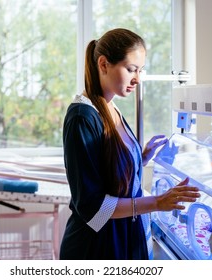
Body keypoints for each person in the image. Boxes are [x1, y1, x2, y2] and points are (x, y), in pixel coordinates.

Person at [60, 28, 200, 260]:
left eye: (141, 70)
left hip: (124, 236)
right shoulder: (82, 118)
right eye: (131, 69)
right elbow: (92, 207)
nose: (138, 78)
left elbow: (109, 170)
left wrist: (141, 156)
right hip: (96, 247)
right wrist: (157, 202)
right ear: (103, 64)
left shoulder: (110, 107)